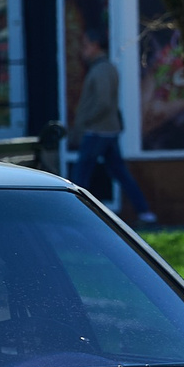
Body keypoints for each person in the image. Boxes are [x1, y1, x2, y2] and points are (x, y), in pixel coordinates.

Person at [68, 26, 156, 226]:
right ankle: (144, 212)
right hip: (108, 130)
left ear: (95, 46)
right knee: (119, 172)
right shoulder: (106, 68)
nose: (82, 50)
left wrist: (84, 122)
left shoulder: (101, 70)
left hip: (97, 131)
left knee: (81, 175)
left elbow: (103, 103)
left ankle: (73, 214)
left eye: (85, 45)